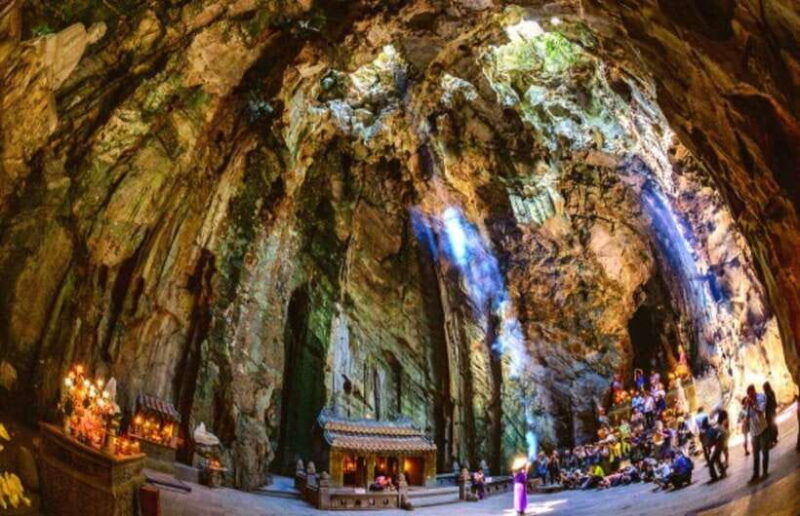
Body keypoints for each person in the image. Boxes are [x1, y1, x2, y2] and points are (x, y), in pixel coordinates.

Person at [744, 384, 769, 482]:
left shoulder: (761, 397)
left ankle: (765, 472)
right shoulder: (748, 401)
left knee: (764, 452)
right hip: (754, 431)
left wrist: (753, 405)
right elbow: (747, 416)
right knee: (755, 455)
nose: (750, 397)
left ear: (754, 391)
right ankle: (755, 474)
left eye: (751, 394)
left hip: (762, 429)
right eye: (749, 395)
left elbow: (761, 411)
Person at [708, 407, 728, 481]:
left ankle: (714, 476)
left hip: (718, 445)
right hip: (719, 445)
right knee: (717, 459)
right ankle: (722, 473)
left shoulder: (717, 427)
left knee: (712, 461)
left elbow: (719, 436)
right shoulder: (719, 427)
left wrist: (716, 443)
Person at [763, 382, 778, 447]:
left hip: (770, 413)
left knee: (771, 426)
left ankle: (773, 439)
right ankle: (774, 439)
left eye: (764, 388)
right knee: (773, 425)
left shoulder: (768, 394)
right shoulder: (770, 393)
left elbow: (769, 403)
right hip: (771, 412)